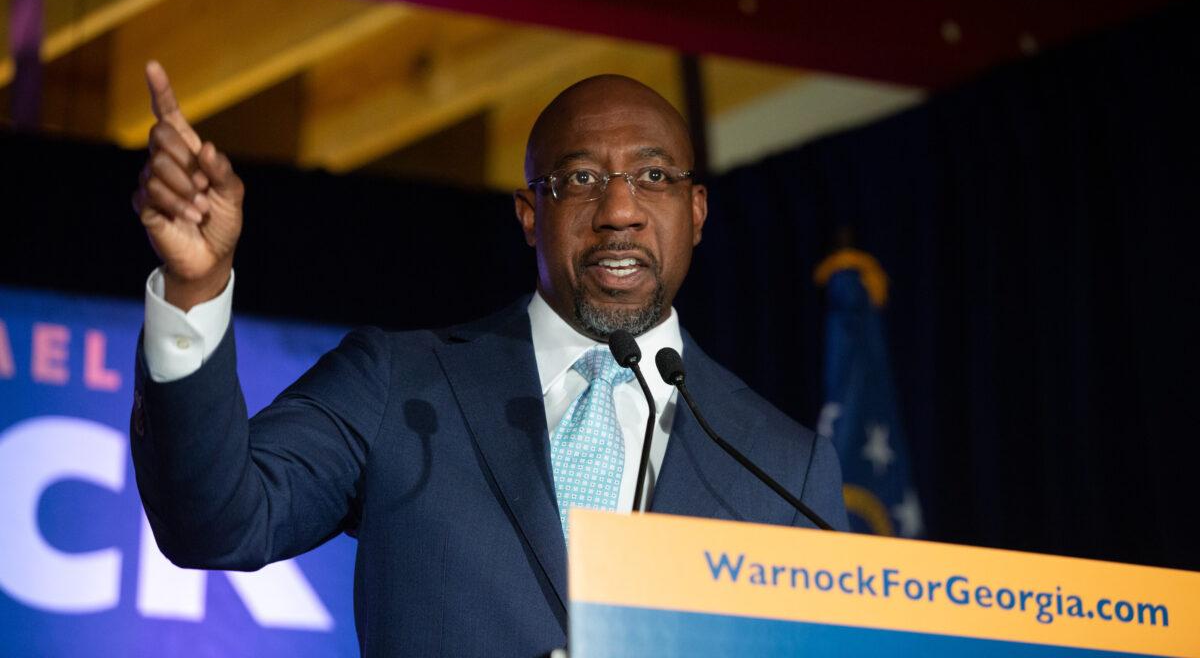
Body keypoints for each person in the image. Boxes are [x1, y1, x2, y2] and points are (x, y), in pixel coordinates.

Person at [130, 61, 848, 657]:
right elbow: (215, 521)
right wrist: (196, 286)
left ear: (696, 211)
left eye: (654, 177)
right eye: (582, 179)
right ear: (530, 214)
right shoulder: (398, 383)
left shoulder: (783, 468)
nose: (621, 210)